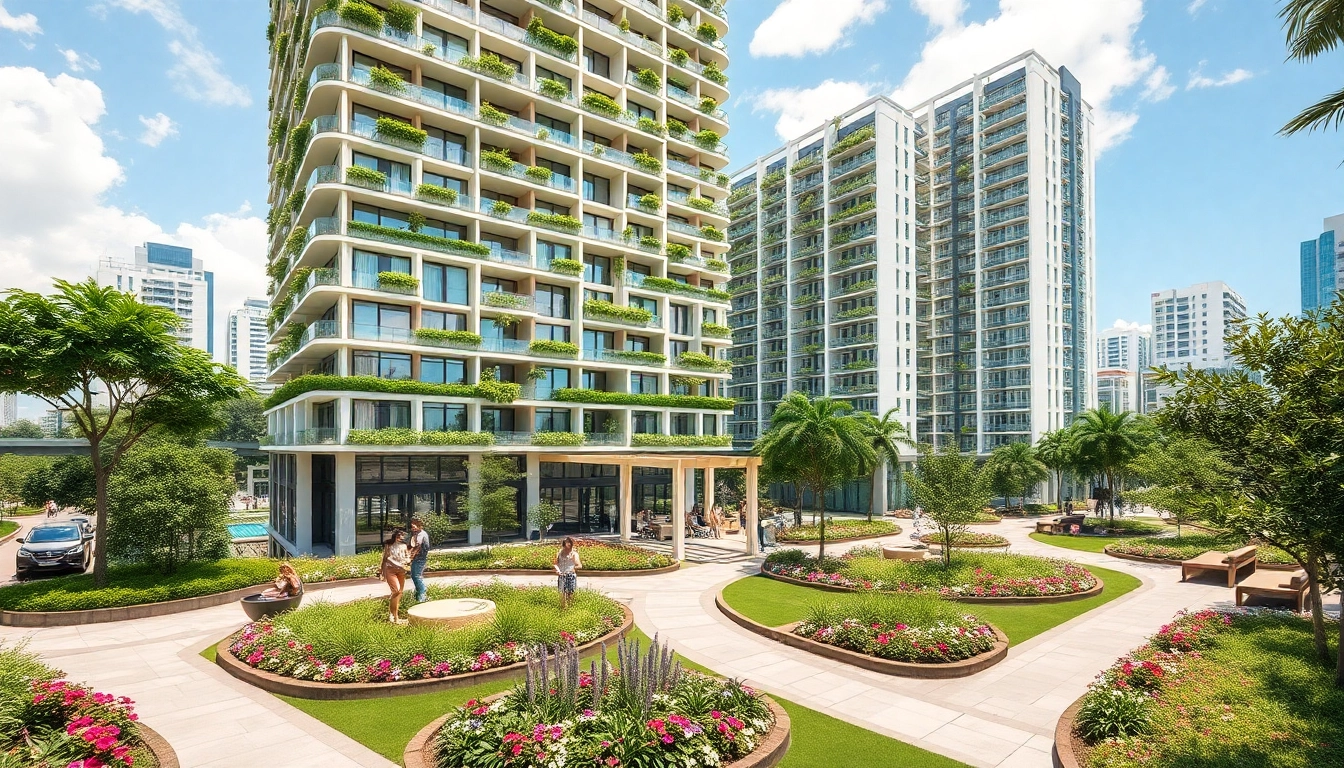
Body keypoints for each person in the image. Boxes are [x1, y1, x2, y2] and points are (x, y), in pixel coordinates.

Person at [381, 529, 411, 623]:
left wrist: (407, 561)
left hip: (401, 570)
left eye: (402, 536)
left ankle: (394, 614)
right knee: (396, 591)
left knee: (400, 592)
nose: (401, 537)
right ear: (395, 536)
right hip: (390, 570)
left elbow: (407, 556)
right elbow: (386, 558)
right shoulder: (389, 545)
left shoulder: (404, 546)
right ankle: (394, 617)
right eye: (399, 535)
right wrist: (382, 572)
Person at [553, 536, 582, 609]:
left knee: (570, 594)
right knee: (562, 593)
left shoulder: (574, 554)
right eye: (566, 543)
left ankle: (570, 609)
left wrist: (573, 569)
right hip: (561, 575)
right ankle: (563, 609)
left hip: (570, 575)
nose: (568, 544)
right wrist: (557, 570)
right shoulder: (559, 553)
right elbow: (555, 563)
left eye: (569, 542)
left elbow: (579, 565)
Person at [407, 517, 431, 603]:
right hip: (417, 559)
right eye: (412, 527)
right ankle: (419, 595)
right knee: (414, 576)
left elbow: (417, 546)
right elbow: (410, 546)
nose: (413, 529)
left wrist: (410, 557)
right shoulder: (416, 534)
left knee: (417, 576)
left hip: (420, 559)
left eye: (414, 527)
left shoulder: (422, 534)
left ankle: (422, 596)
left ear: (419, 526)